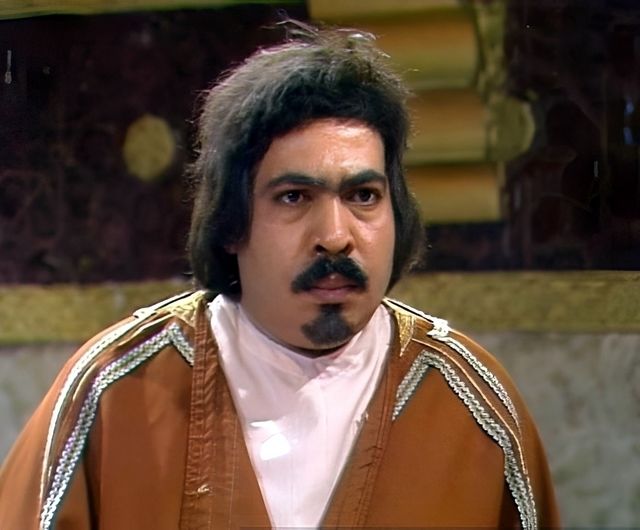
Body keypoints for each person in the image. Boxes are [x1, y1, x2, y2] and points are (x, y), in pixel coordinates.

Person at [0, 21, 560, 530]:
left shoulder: (470, 405)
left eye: (364, 196)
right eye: (294, 197)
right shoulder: (114, 395)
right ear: (231, 221)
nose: (335, 236)